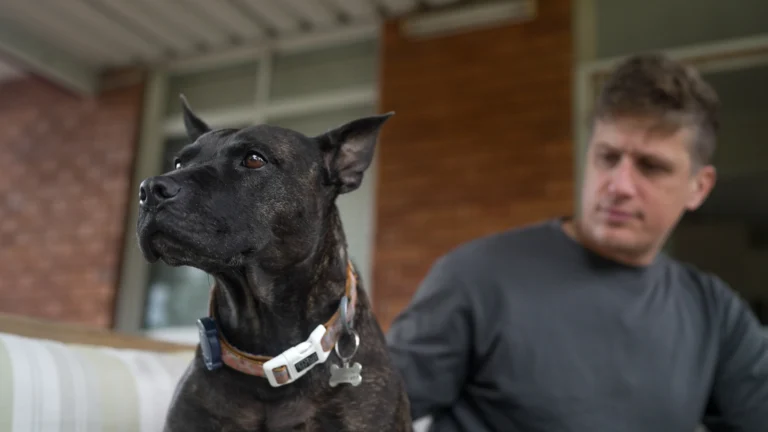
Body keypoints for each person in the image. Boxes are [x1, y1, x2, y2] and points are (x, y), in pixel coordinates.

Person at [386, 53, 768, 432]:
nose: (619, 185)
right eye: (607, 157)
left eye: (651, 167)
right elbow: (356, 416)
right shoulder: (475, 278)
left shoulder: (715, 315)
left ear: (698, 188)